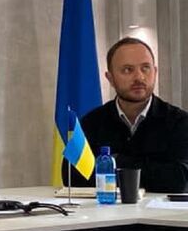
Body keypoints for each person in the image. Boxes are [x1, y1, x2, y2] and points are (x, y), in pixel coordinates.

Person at [66, 37, 188, 192]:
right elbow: (72, 177)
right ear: (110, 78)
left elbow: (181, 180)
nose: (139, 77)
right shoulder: (91, 123)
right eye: (127, 70)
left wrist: (115, 162)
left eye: (145, 68)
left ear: (155, 72)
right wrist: (152, 169)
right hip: (106, 208)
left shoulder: (180, 122)